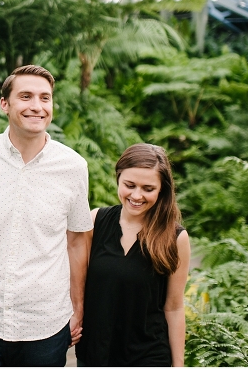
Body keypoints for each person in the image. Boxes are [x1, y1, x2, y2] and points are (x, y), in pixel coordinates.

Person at [0, 65, 93, 367]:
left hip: (45, 325)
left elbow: (77, 242)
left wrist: (78, 308)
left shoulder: (74, 167)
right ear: (5, 104)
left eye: (45, 98)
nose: (37, 106)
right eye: (26, 96)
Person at [75, 143, 191, 367]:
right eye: (130, 185)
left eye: (148, 189)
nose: (137, 195)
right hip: (95, 354)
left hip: (148, 356)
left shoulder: (175, 238)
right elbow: (76, 284)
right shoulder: (95, 222)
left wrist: (178, 365)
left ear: (162, 190)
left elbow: (174, 307)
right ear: (118, 179)